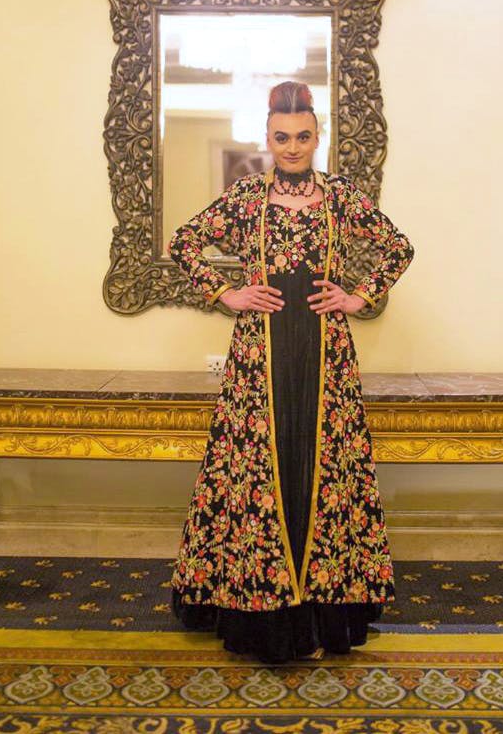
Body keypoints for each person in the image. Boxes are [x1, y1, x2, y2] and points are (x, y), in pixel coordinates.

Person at [168, 81, 415, 664]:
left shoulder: (340, 198)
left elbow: (397, 247)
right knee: (258, 470)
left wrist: (359, 296)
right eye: (283, 137)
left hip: (328, 354)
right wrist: (225, 293)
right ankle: (267, 622)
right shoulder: (247, 197)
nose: (293, 147)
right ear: (268, 137)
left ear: (317, 136)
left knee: (326, 468)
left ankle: (327, 617)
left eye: (304, 136)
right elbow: (185, 243)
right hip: (259, 356)